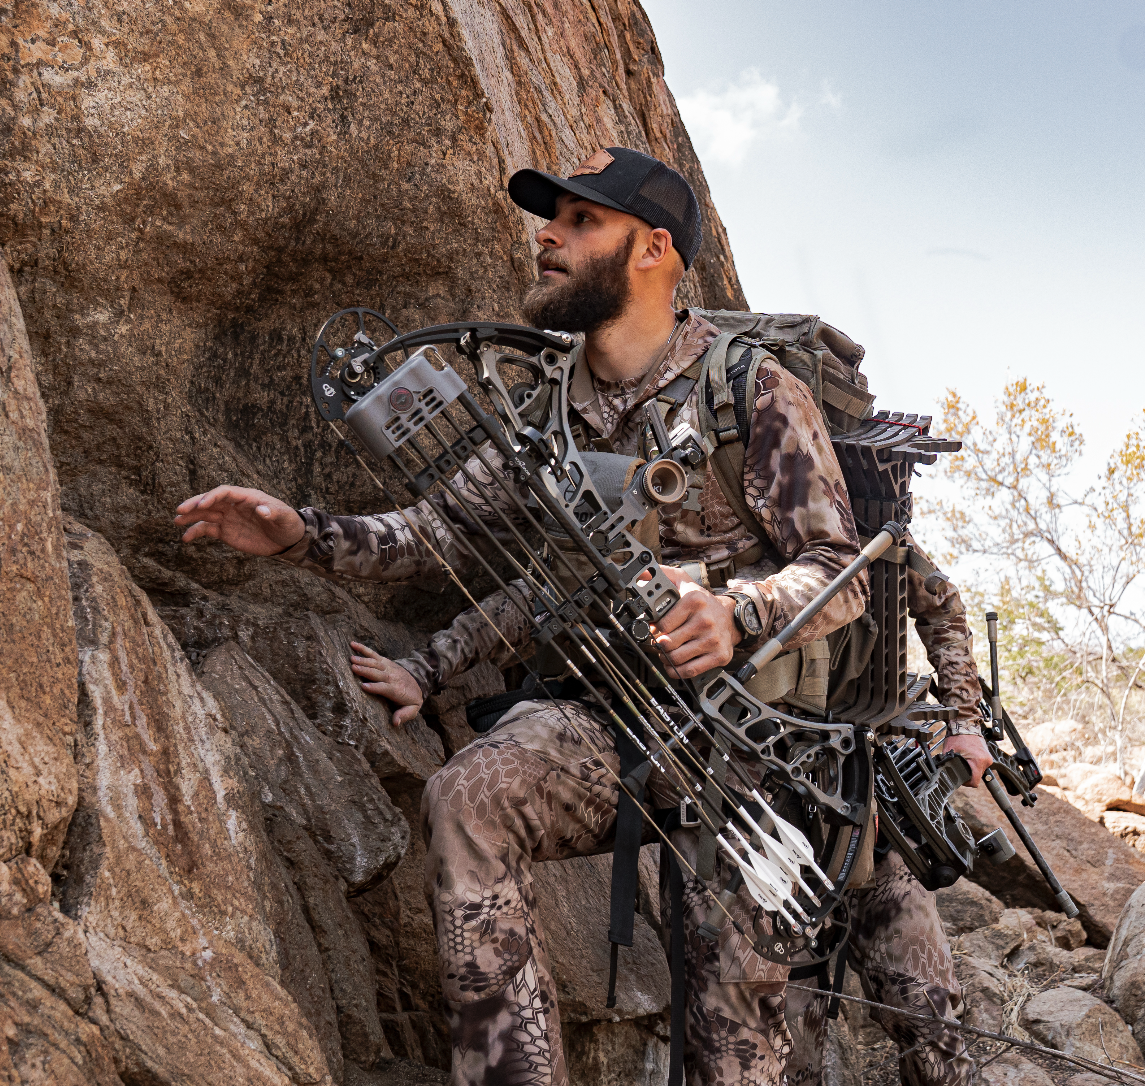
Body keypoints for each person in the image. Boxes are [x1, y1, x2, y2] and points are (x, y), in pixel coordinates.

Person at [175, 147, 991, 1086]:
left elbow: (840, 571)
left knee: (732, 1049)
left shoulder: (753, 390)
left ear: (653, 250)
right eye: (549, 219)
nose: (547, 237)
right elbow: (436, 528)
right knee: (468, 801)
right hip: (612, 723)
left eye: (578, 221)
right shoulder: (543, 404)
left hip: (761, 752)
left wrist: (735, 610)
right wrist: (298, 534)